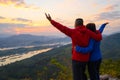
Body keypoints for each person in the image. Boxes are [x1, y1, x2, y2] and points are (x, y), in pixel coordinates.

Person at [45, 13, 102, 80]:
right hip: (86, 59)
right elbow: (98, 37)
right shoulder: (88, 32)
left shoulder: (73, 32)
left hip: (77, 59)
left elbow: (62, 28)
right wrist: (99, 32)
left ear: (76, 24)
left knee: (77, 76)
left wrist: (51, 21)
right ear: (82, 24)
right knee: (82, 74)